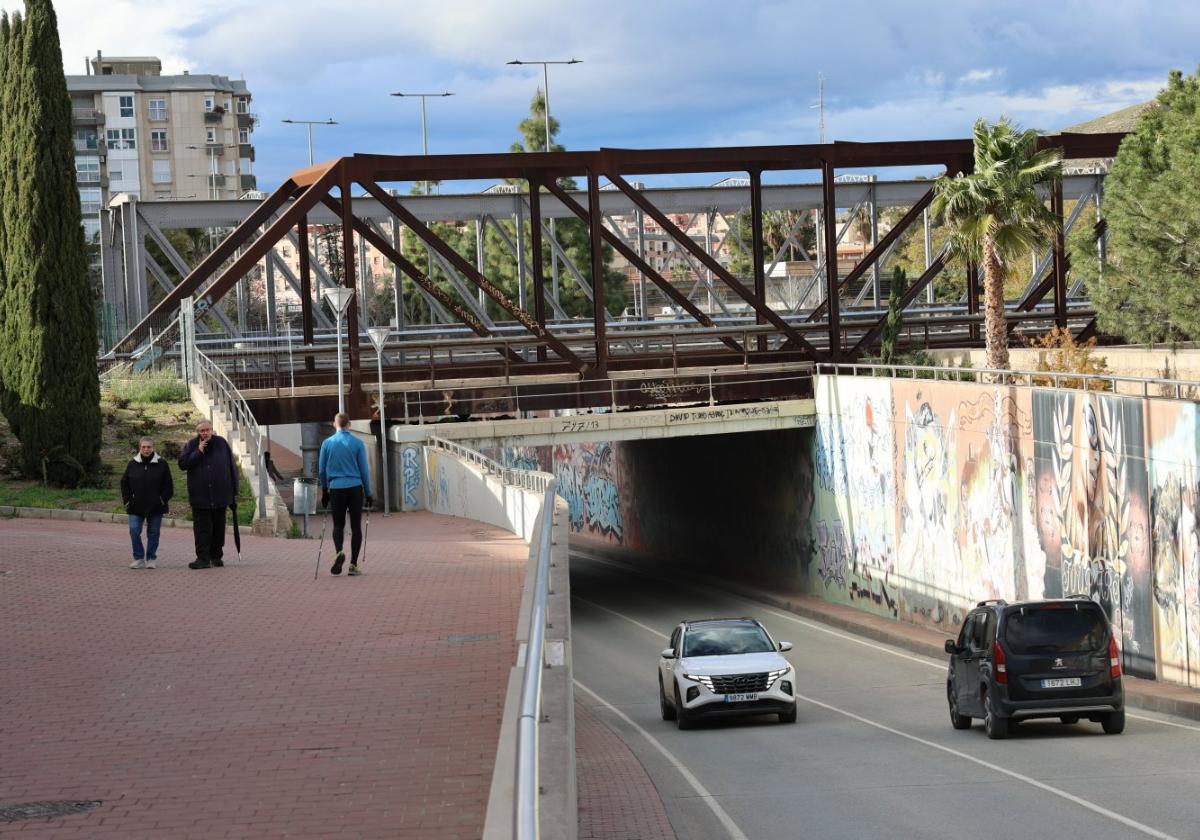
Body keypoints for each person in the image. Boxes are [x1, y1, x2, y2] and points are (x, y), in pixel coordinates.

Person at [178, 418, 238, 570]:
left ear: (212, 430)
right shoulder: (191, 445)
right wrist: (198, 451)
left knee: (219, 528)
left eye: (207, 430)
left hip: (221, 495)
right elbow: (183, 464)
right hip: (200, 496)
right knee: (202, 529)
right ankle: (202, 558)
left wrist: (234, 492)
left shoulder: (221, 443)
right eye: (201, 431)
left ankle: (216, 557)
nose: (205, 433)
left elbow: (231, 467)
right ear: (197, 432)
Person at [319, 412, 373, 576]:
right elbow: (364, 470)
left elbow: (321, 470)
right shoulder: (358, 443)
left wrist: (324, 490)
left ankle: (339, 552)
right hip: (355, 488)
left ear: (334, 425)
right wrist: (369, 493)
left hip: (336, 488)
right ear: (349, 425)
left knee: (338, 525)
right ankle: (353, 565)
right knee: (356, 526)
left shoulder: (327, 443)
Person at [120, 437, 174, 569]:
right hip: (135, 506)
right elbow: (124, 482)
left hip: (156, 506)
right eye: (143, 447)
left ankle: (151, 558)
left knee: (154, 533)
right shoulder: (132, 463)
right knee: (134, 530)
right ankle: (138, 558)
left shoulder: (162, 464)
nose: (146, 449)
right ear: (140, 448)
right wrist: (127, 500)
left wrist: (162, 500)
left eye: (149, 447)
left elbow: (169, 486)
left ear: (153, 447)